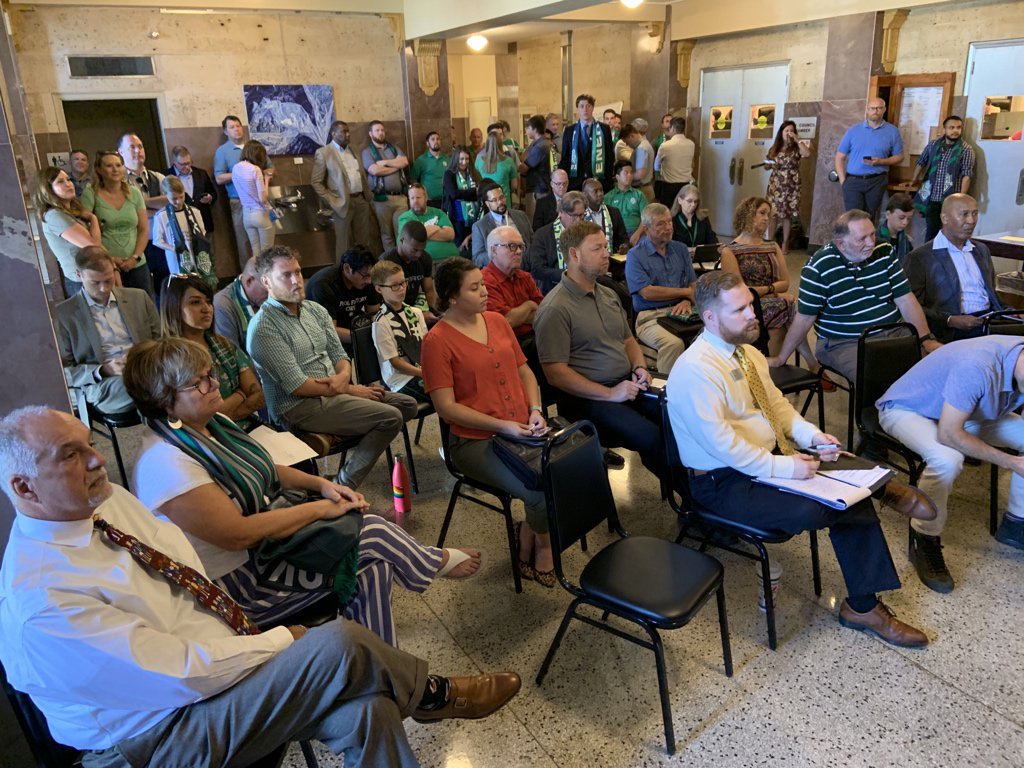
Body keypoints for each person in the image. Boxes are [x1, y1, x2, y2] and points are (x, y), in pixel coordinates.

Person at [0, 405, 519, 767]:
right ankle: (435, 694)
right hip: (156, 737)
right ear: (24, 487)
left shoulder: (105, 501)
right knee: (337, 643)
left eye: (91, 446)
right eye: (71, 456)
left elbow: (183, 568)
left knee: (369, 707)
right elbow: (179, 676)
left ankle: (414, 694)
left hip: (211, 665)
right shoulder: (42, 598)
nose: (97, 462)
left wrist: (255, 645)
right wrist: (279, 642)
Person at [126, 336, 478, 640]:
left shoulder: (208, 422)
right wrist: (319, 509)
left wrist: (323, 486)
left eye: (210, 375)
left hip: (267, 552)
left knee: (374, 569)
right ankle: (434, 564)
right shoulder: (164, 463)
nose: (215, 384)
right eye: (199, 382)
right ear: (163, 400)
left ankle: (383, 678)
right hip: (241, 585)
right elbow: (238, 536)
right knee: (369, 533)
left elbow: (265, 468)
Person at [667, 271, 934, 648]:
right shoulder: (695, 370)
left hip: (765, 460)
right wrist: (786, 467)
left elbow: (777, 406)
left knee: (832, 464)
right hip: (721, 483)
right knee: (832, 505)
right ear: (710, 318)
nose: (751, 314)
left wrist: (811, 436)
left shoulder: (748, 353)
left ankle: (872, 492)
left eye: (750, 304)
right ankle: (874, 493)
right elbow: (722, 445)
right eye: (739, 309)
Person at [421, 257, 555, 586]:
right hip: (476, 441)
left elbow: (524, 371)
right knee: (538, 492)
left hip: (521, 428)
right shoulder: (436, 341)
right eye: (475, 287)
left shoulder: (496, 321)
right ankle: (542, 544)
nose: (485, 291)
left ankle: (526, 530)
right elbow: (447, 408)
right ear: (452, 298)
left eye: (483, 283)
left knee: (566, 468)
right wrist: (504, 426)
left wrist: (535, 409)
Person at [246, 246, 419, 489]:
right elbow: (298, 386)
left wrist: (345, 379)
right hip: (297, 407)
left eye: (298, 272)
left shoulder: (314, 310)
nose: (297, 280)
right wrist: (348, 389)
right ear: (266, 281)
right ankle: (344, 483)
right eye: (286, 275)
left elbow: (340, 355)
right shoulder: (263, 327)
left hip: (333, 394)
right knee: (390, 417)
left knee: (408, 405)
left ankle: (344, 430)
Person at [877, 336, 1024, 593]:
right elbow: (949, 434)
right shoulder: (977, 366)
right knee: (947, 459)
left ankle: (1016, 523)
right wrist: (1011, 461)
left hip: (961, 411)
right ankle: (924, 538)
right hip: (908, 410)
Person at [535, 221, 667, 478]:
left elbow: (628, 340)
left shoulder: (607, 293)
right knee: (650, 436)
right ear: (574, 254)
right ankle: (694, 502)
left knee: (678, 416)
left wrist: (639, 367)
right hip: (590, 399)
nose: (607, 253)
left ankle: (697, 495)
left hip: (626, 385)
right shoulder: (555, 308)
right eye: (597, 248)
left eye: (606, 246)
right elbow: (555, 374)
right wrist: (609, 394)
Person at [768, 210, 940, 383]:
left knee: (935, 368)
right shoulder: (819, 267)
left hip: (893, 331)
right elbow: (804, 318)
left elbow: (906, 299)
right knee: (878, 379)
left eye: (872, 234)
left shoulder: (885, 251)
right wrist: (782, 357)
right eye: (862, 239)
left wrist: (926, 339)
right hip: (843, 342)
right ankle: (881, 409)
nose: (871, 242)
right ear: (841, 244)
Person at [54, 246, 160, 414]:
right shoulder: (64, 315)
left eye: (108, 280)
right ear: (79, 275)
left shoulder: (138, 298)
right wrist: (103, 370)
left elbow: (161, 341)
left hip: (146, 369)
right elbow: (62, 373)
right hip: (103, 382)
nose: (104, 288)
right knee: (138, 385)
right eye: (95, 283)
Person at [720, 197, 819, 367]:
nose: (767, 218)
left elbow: (786, 282)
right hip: (746, 305)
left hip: (770, 301)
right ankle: (810, 363)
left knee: (788, 307)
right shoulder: (730, 250)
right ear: (749, 215)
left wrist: (771, 293)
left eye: (769, 214)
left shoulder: (772, 246)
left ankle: (779, 363)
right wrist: (773, 291)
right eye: (762, 213)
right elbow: (740, 291)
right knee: (786, 305)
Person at [159, 274, 264, 430]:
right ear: (174, 307)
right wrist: (241, 394)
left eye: (208, 301)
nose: (206, 308)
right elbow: (199, 419)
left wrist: (222, 414)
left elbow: (258, 397)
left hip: (249, 428)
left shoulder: (224, 345)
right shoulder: (169, 359)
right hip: (204, 439)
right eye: (195, 302)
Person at [903, 193, 1000, 343]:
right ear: (945, 218)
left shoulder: (981, 250)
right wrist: (950, 320)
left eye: (975, 214)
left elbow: (992, 295)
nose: (971, 221)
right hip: (952, 329)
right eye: (964, 214)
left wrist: (1012, 313)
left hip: (990, 320)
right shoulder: (920, 257)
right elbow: (911, 307)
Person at [624, 203, 696, 374]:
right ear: (647, 229)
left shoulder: (680, 249)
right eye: (660, 224)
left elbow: (693, 284)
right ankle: (665, 391)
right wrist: (685, 293)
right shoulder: (635, 255)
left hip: (682, 311)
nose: (668, 227)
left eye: (669, 222)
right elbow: (647, 293)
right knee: (673, 343)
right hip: (649, 317)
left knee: (707, 336)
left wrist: (687, 299)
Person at [80, 149, 152, 294]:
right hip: (107, 264)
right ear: (99, 170)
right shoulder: (90, 194)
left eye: (118, 165)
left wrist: (135, 257)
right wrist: (111, 259)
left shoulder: (135, 193)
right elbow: (86, 232)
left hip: (137, 263)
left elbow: (143, 229)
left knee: (143, 306)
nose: (115, 170)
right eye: (109, 166)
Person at [906, 115, 975, 241]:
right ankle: (929, 259)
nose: (955, 130)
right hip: (932, 197)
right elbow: (921, 162)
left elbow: (967, 175)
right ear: (945, 129)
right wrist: (913, 181)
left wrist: (961, 198)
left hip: (950, 199)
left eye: (958, 127)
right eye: (951, 127)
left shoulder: (966, 149)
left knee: (949, 233)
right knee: (931, 233)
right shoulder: (933, 145)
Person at [311, 120, 373, 260]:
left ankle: (363, 272)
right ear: (333, 134)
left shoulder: (354, 149)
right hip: (342, 203)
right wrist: (332, 200)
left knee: (364, 242)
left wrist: (367, 195)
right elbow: (316, 182)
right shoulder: (324, 153)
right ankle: (341, 275)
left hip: (361, 199)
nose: (348, 134)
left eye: (348, 131)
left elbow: (360, 174)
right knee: (343, 244)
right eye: (343, 132)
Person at [34, 166, 101, 295]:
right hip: (81, 280)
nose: (68, 184)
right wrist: (93, 219)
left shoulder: (69, 212)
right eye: (60, 182)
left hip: (91, 274)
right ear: (48, 189)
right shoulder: (54, 215)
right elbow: (94, 247)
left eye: (68, 179)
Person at [370, 260, 430, 403]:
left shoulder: (415, 312)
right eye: (395, 286)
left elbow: (427, 345)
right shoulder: (380, 322)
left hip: (422, 370)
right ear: (379, 289)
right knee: (441, 392)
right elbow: (396, 363)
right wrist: (426, 373)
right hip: (400, 381)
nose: (402, 289)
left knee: (455, 385)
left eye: (403, 283)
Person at [215, 114, 269, 267]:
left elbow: (269, 167)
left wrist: (263, 174)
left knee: (265, 243)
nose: (236, 129)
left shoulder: (253, 146)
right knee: (245, 241)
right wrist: (244, 173)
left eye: (238, 126)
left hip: (261, 200)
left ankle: (268, 274)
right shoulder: (223, 151)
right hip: (239, 202)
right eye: (232, 127)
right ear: (226, 131)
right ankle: (248, 276)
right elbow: (218, 178)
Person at [836, 98, 904, 218]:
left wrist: (882, 161)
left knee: (870, 217)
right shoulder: (853, 130)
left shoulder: (892, 131)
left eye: (879, 108)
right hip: (853, 181)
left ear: (884, 110)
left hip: (876, 181)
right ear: (867, 110)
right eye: (872, 108)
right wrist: (843, 181)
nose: (875, 111)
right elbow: (839, 157)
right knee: (853, 218)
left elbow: (899, 157)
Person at [118, 133, 168, 292]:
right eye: (131, 147)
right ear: (120, 152)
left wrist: (140, 205)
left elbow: (170, 202)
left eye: (140, 146)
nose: (137, 151)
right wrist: (153, 208)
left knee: (165, 287)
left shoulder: (158, 177)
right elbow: (125, 211)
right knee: (142, 291)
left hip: (159, 240)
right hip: (134, 245)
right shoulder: (118, 182)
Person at [306, 245, 381, 350]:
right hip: (324, 337)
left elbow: (375, 314)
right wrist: (366, 338)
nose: (369, 281)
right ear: (347, 269)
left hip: (354, 328)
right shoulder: (323, 285)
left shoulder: (367, 281)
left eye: (371, 275)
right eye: (365, 275)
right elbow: (330, 331)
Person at [482, 225, 544, 345]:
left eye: (521, 246)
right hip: (506, 345)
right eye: (512, 246)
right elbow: (505, 322)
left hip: (534, 337)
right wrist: (530, 305)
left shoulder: (525, 276)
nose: (519, 252)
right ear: (494, 250)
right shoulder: (484, 281)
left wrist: (518, 317)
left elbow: (543, 313)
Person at [151, 175, 216, 286]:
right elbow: (157, 240)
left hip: (195, 251)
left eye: (181, 197)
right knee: (183, 284)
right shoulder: (161, 216)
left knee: (200, 282)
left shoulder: (194, 212)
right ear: (166, 195)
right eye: (174, 199)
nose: (179, 202)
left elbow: (202, 232)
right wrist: (174, 248)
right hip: (176, 257)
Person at [362, 120, 410, 251]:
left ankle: (404, 258)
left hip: (400, 198)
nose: (381, 133)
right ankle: (391, 262)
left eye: (382, 130)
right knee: (387, 234)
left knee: (402, 231)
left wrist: (385, 162)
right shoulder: (367, 152)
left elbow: (404, 162)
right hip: (381, 199)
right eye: (377, 130)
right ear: (370, 134)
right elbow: (374, 170)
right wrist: (395, 166)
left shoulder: (393, 148)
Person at [766, 120, 812, 255]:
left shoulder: (797, 147)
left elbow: (808, 154)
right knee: (773, 214)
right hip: (776, 184)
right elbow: (767, 163)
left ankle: (785, 243)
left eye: (791, 131)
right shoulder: (775, 148)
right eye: (786, 131)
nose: (788, 133)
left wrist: (797, 139)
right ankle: (770, 241)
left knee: (787, 216)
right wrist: (768, 164)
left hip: (791, 185)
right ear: (781, 132)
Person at [529, 190, 587, 295]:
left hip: (585, 284)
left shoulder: (588, 232)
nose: (578, 221)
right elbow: (537, 269)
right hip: (554, 288)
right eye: (574, 216)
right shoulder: (543, 235)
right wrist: (568, 275)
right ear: (560, 212)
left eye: (581, 215)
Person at [382, 221, 439, 321]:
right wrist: (417, 316)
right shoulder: (386, 262)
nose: (418, 254)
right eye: (415, 250)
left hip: (415, 308)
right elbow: (388, 301)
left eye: (422, 249)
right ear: (402, 240)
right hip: (392, 312)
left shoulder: (425, 258)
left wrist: (438, 311)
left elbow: (429, 291)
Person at [471, 181, 533, 268]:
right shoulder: (480, 226)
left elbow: (532, 241)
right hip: (499, 270)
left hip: (526, 266)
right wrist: (499, 255)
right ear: (487, 204)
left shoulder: (521, 216)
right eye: (494, 200)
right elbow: (477, 258)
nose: (500, 202)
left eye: (501, 197)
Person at [559, 94, 614, 191]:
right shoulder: (569, 131)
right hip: (575, 181)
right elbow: (565, 157)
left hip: (597, 180)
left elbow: (609, 156)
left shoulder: (603, 129)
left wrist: (608, 180)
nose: (585, 109)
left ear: (593, 108)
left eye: (588, 106)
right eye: (581, 106)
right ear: (577, 109)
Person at [213, 256, 268, 351]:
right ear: (249, 281)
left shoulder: (275, 296)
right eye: (267, 290)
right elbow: (232, 355)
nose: (273, 296)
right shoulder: (222, 305)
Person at [396, 182, 459, 265]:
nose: (415, 201)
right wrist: (437, 228)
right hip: (425, 262)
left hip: (452, 259)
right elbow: (413, 238)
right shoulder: (405, 217)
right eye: (412, 198)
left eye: (418, 197)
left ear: (426, 198)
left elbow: (450, 234)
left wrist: (423, 232)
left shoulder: (438, 212)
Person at [232, 139, 276, 257]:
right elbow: (263, 198)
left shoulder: (235, 168)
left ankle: (256, 275)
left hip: (246, 214)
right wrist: (266, 179)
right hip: (260, 214)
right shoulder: (255, 169)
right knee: (267, 254)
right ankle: (265, 276)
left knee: (256, 253)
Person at [164, 145, 218, 235]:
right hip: (180, 223)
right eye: (182, 164)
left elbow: (213, 193)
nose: (187, 167)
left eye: (189, 163)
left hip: (203, 221)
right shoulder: (166, 176)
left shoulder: (201, 174)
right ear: (175, 162)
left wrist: (210, 198)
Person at [441, 145, 479, 251]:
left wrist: (465, 193)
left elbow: (479, 192)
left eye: (467, 159)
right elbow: (454, 194)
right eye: (461, 159)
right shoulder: (449, 174)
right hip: (457, 218)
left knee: (473, 245)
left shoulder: (474, 173)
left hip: (474, 217)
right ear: (456, 159)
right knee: (460, 247)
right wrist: (472, 192)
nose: (464, 162)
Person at [518, 114, 552, 225]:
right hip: (540, 188)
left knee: (533, 221)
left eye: (527, 128)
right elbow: (524, 156)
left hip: (538, 190)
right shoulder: (539, 143)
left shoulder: (540, 146)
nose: (526, 131)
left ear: (534, 129)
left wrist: (515, 164)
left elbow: (524, 168)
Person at [654, 117, 695, 206]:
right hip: (686, 185)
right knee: (683, 211)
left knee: (667, 214)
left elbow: (656, 165)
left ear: (672, 128)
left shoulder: (665, 146)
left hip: (669, 187)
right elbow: (692, 164)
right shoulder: (691, 144)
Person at [605, 160, 648, 242]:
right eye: (626, 173)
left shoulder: (639, 195)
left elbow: (646, 218)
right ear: (617, 177)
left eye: (631, 173)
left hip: (638, 232)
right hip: (616, 234)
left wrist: (637, 234)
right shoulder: (608, 197)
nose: (630, 175)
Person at [582, 177, 629, 254]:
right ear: (585, 195)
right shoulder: (580, 215)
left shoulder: (614, 212)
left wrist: (625, 246)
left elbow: (623, 237)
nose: (600, 194)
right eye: (595, 191)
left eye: (601, 190)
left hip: (611, 259)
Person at [670, 183, 718, 249]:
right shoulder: (672, 220)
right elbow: (670, 246)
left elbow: (712, 241)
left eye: (696, 201)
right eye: (689, 201)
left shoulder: (703, 219)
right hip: (680, 257)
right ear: (680, 200)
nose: (693, 205)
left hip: (700, 257)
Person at [474, 132, 518, 205]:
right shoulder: (509, 161)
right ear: (501, 144)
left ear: (487, 144)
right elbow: (514, 186)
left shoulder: (479, 162)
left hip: (486, 203)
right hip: (503, 202)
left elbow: (476, 182)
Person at [409, 130, 449, 208]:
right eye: (433, 139)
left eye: (438, 139)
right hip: (429, 201)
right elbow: (413, 180)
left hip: (445, 199)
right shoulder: (421, 160)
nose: (436, 141)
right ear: (428, 143)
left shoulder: (447, 159)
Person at [878, 192, 915, 265]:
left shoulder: (906, 242)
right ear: (888, 214)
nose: (905, 222)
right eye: (901, 217)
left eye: (909, 219)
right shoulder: (875, 238)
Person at [622, 121, 655, 201]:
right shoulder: (645, 144)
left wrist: (623, 177)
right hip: (645, 188)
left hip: (642, 189)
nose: (627, 145)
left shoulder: (641, 148)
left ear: (631, 136)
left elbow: (640, 174)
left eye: (626, 141)